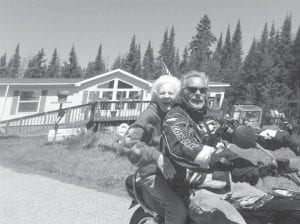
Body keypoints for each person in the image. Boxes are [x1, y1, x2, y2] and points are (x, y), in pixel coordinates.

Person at [161, 71, 267, 224]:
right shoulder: (175, 117)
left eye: (202, 90)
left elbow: (236, 133)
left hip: (223, 185)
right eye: (192, 89)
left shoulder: (210, 117)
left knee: (268, 204)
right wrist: (215, 157)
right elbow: (184, 145)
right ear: (182, 93)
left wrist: (278, 138)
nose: (198, 94)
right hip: (193, 190)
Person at [122, 75, 188, 224]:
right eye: (162, 93)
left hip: (175, 173)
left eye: (171, 93)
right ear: (155, 96)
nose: (166, 96)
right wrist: (157, 157)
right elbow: (129, 142)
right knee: (177, 210)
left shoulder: (176, 115)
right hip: (153, 174)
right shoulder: (150, 115)